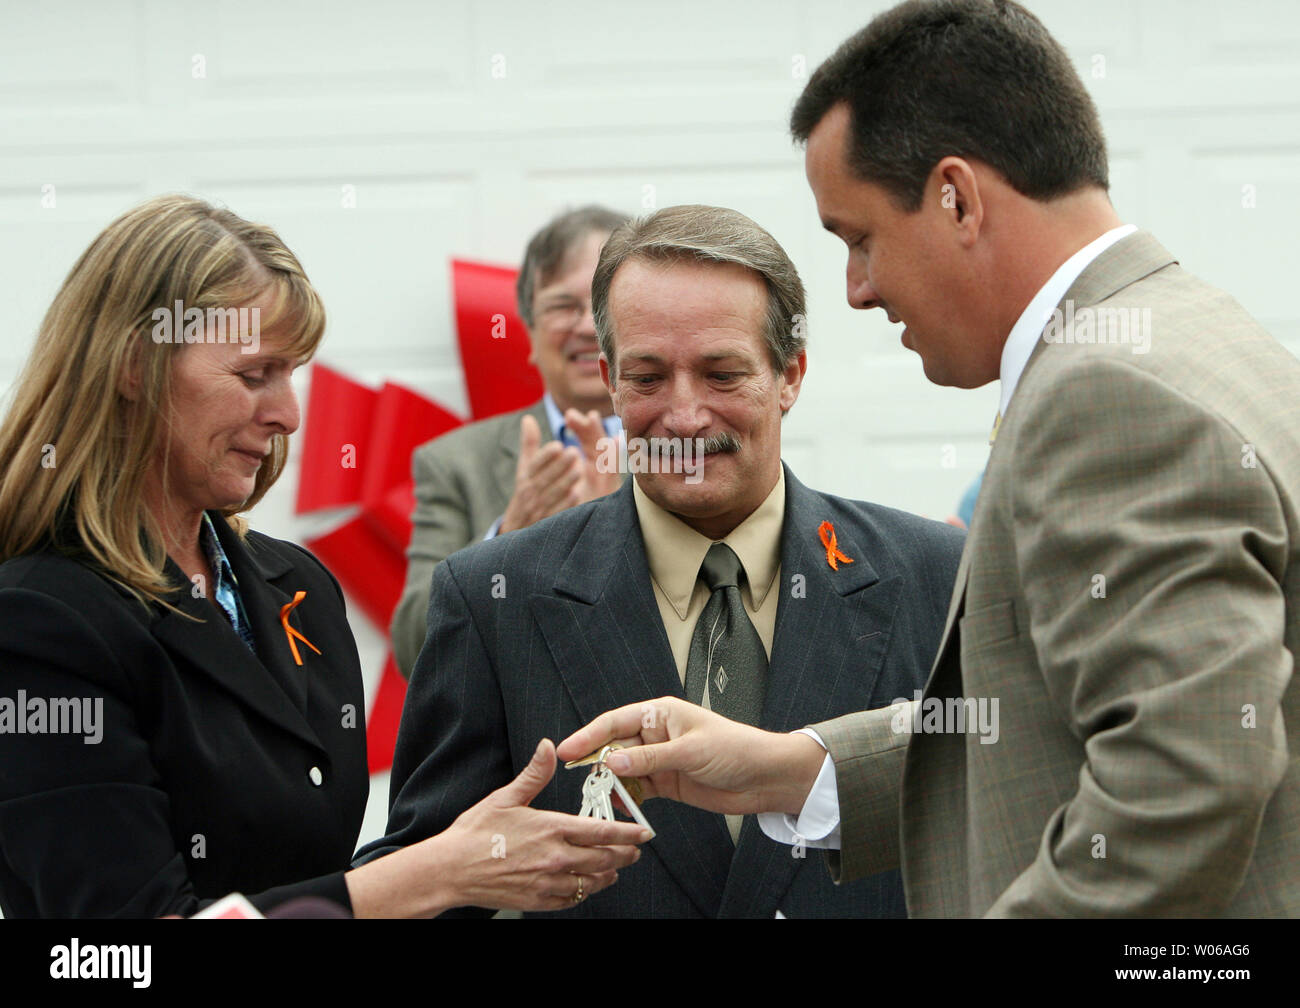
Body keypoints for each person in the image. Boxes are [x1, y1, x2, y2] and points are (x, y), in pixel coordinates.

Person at [558, 0, 1300, 917]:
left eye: (859, 238)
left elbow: (1188, 776)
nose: (857, 291)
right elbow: (1054, 727)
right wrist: (796, 769)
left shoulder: (1106, 397)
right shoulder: (1196, 337)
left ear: (956, 196)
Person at [0, 195, 648, 919]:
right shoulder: (39, 623)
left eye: (293, 374)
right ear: (132, 365)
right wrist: (440, 872)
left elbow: (319, 878)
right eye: (254, 374)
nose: (289, 414)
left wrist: (474, 853)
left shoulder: (296, 586)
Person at [356, 204, 965, 917]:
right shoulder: (496, 600)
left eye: (721, 374)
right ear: (610, 380)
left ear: (790, 375)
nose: (683, 415)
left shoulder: (933, 574)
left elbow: (1006, 821)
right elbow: (424, 879)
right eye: (647, 378)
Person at [391, 205, 629, 678]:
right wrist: (505, 542)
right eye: (563, 306)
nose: (585, 326)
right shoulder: (455, 463)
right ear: (530, 333)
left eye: (602, 303)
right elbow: (414, 646)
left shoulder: (692, 448)